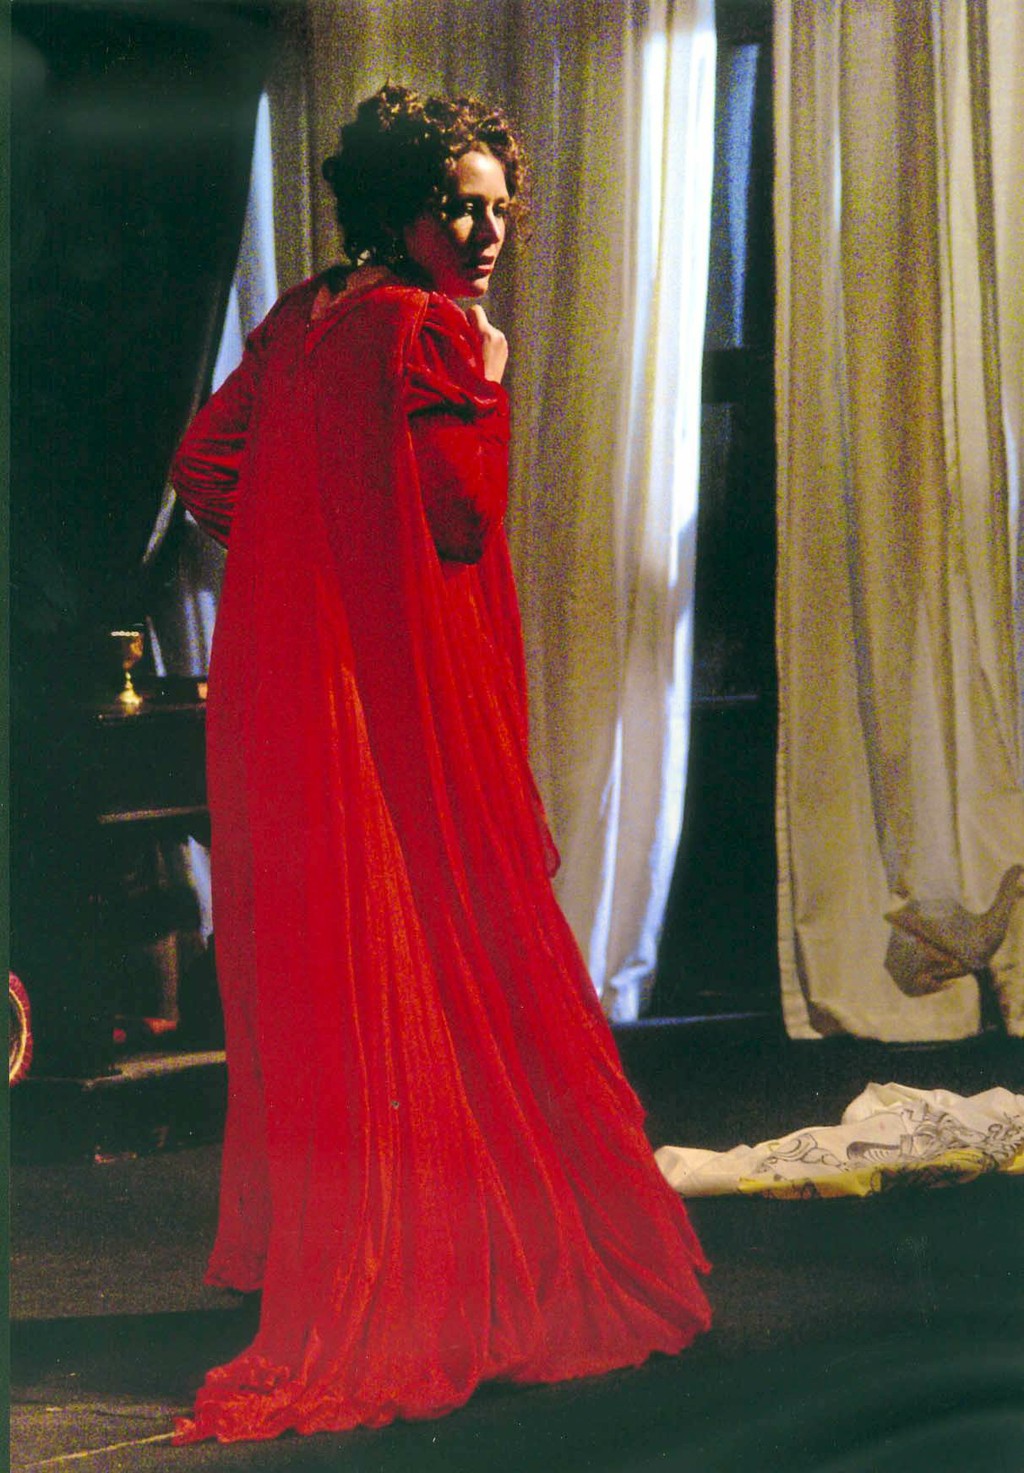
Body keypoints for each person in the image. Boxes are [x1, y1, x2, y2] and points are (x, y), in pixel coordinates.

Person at [170, 82, 710, 1445]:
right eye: (456, 207)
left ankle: (362, 1235)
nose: (485, 232)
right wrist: (490, 380)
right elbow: (462, 523)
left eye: (497, 208)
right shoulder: (432, 330)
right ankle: (441, 1258)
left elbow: (204, 466)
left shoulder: (305, 313)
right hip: (397, 683)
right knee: (434, 917)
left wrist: (302, 552)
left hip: (289, 685)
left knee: (341, 944)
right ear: (399, 207)